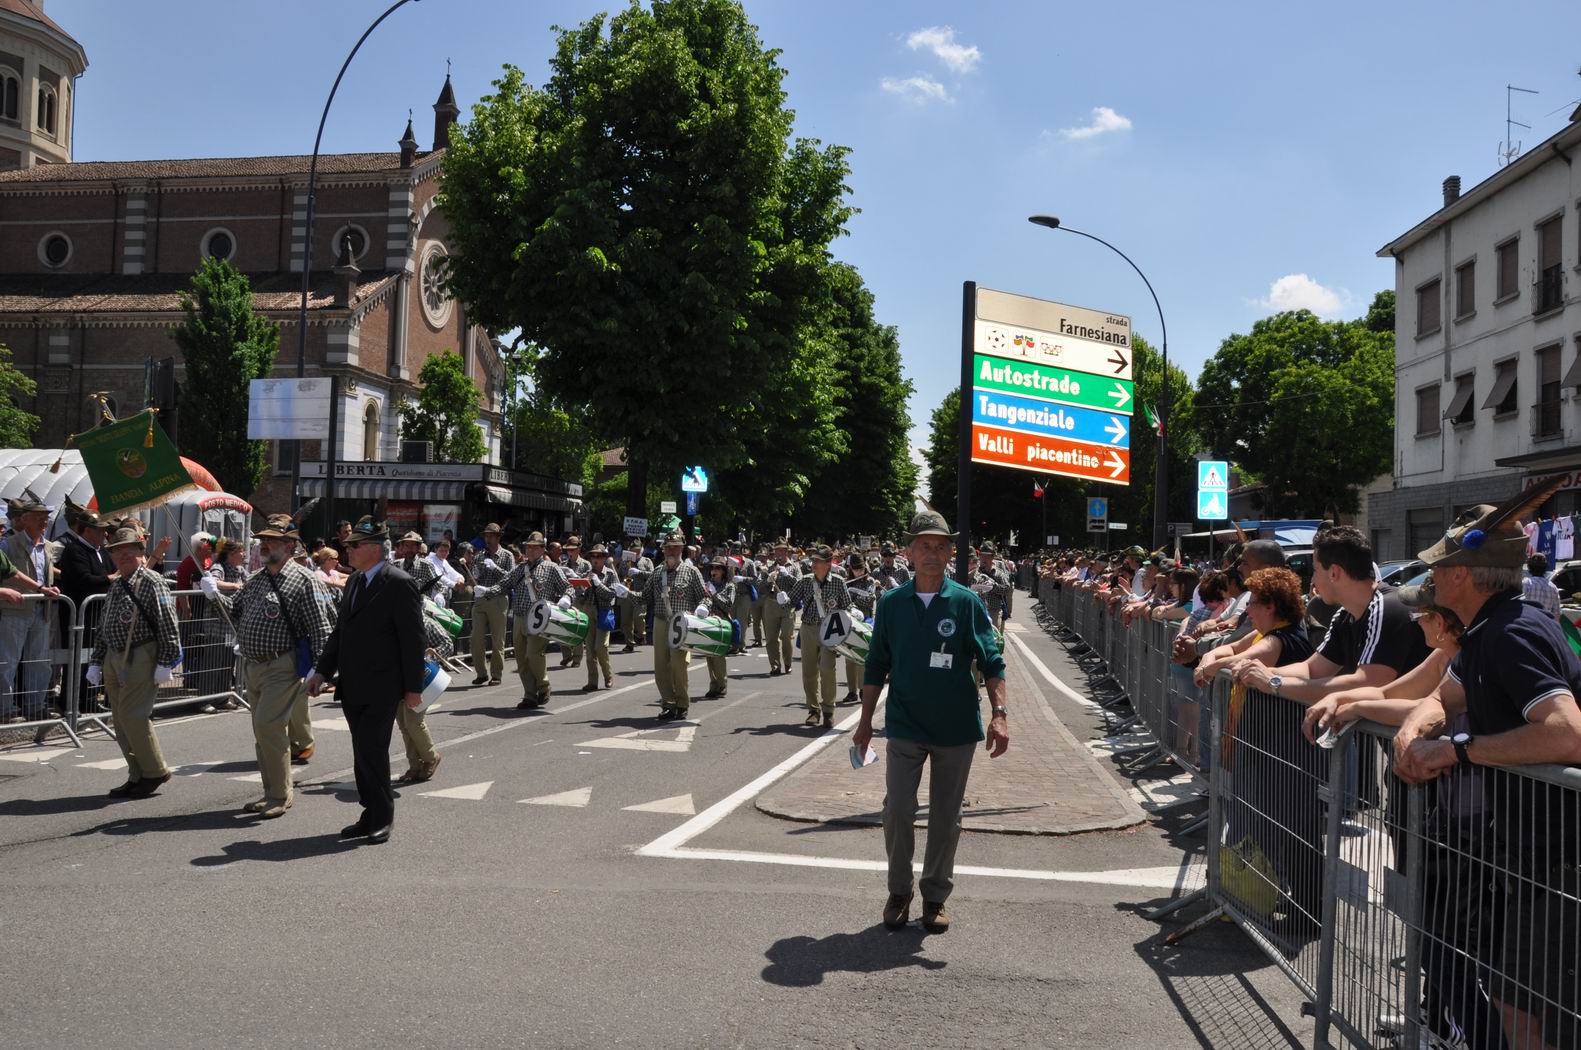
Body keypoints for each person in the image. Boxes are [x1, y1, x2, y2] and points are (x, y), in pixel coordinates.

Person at [1393, 486, 1581, 1050]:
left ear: (1462, 575)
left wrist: (1456, 750)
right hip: (1525, 856)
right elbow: (1440, 697)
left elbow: (1568, 733)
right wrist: (1411, 732)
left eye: (1439, 568)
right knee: (1511, 1000)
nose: (1432, 577)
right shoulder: (1484, 632)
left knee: (1528, 1013)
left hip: (1555, 859)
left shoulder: (1511, 633)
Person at [853, 510, 1007, 934]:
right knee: (897, 809)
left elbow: (992, 661)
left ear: (951, 553)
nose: (933, 554)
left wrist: (1000, 714)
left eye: (941, 546)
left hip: (955, 728)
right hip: (904, 723)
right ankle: (899, 890)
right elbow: (876, 664)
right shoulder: (891, 603)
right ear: (909, 552)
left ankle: (935, 896)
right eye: (924, 546)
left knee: (946, 817)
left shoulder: (967, 602)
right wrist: (865, 722)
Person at [200, 514, 331, 820]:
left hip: (282, 664)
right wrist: (214, 595)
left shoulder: (305, 580)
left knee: (269, 727)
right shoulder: (257, 579)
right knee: (262, 731)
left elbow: (320, 628)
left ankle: (280, 795)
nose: (264, 545)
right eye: (263, 540)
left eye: (273, 540)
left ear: (289, 546)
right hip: (253, 665)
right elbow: (235, 612)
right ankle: (270, 791)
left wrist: (320, 669)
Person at [307, 517, 425, 844]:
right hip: (353, 684)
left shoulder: (399, 583)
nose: (348, 550)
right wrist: (321, 671)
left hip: (383, 685)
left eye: (354, 545)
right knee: (362, 751)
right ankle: (370, 812)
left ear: (374, 548)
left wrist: (413, 688)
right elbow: (340, 632)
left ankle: (382, 816)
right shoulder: (356, 581)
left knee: (373, 750)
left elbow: (413, 639)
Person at [1233, 526, 1429, 704]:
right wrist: (1262, 671)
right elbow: (1311, 670)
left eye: (1316, 570)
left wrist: (1274, 683)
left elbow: (1368, 682)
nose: (1313, 580)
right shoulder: (1345, 615)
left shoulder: (1387, 608)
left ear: (1334, 573)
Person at [87, 525, 181, 799]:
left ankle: (155, 771)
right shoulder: (117, 584)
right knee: (120, 720)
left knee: (133, 716)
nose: (123, 555)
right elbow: (104, 625)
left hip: (141, 654)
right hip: (114, 656)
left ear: (141, 552)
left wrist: (166, 661)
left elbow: (168, 622)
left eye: (129, 550)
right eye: (117, 551)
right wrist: (96, 661)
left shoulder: (152, 581)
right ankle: (136, 773)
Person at [473, 531, 569, 711]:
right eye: (528, 547)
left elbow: (567, 587)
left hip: (539, 618)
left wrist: (567, 598)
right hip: (518, 616)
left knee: (534, 654)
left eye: (534, 547)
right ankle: (530, 695)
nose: (530, 550)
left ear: (542, 549)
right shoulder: (519, 568)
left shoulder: (552, 568)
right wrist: (487, 591)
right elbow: (503, 584)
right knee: (521, 658)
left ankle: (543, 685)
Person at [0, 492, 63, 722]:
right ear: (24, 519)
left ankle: (35, 706)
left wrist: (47, 588)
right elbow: (10, 573)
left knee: (39, 662)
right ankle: (5, 709)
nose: (44, 521)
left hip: (41, 611)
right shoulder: (8, 544)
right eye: (38, 517)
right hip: (15, 610)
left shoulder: (48, 547)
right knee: (8, 661)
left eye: (46, 517)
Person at [642, 529, 707, 721]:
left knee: (678, 665)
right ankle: (668, 704)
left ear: (682, 549)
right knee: (661, 666)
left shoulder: (691, 571)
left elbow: (704, 596)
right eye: (668, 547)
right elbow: (645, 597)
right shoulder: (657, 572)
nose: (671, 551)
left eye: (676, 547)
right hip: (661, 621)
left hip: (681, 623)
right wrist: (624, 593)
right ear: (663, 550)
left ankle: (682, 703)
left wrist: (703, 607)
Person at [784, 544, 852, 728]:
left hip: (830, 631)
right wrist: (783, 599)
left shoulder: (838, 581)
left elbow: (847, 605)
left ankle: (828, 710)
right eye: (813, 560)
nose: (813, 564)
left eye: (818, 561)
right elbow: (791, 602)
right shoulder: (805, 581)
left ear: (828, 563)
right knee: (809, 672)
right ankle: (813, 710)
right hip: (808, 628)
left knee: (828, 669)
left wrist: (854, 613)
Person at [469, 523, 514, 686]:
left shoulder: (507, 555)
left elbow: (511, 578)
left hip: (498, 599)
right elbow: (473, 577)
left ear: (498, 537)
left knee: (497, 640)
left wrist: (495, 568)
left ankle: (496, 674)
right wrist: (474, 577)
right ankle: (481, 673)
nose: (487, 539)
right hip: (481, 599)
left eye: (491, 536)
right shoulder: (479, 555)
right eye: (486, 536)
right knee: (476, 638)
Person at [842, 554, 884, 705]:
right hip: (849, 620)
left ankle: (861, 689)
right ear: (850, 569)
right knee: (849, 658)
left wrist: (854, 600)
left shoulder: (870, 581)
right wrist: (851, 605)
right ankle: (851, 691)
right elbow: (843, 601)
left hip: (865, 620)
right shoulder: (846, 582)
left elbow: (869, 600)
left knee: (861, 656)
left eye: (861, 568)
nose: (858, 572)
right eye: (855, 569)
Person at [760, 540, 800, 676]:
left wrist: (787, 575)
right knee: (771, 638)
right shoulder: (769, 567)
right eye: (777, 550)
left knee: (786, 636)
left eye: (782, 550)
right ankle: (775, 665)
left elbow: (800, 584)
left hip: (787, 604)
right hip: (771, 603)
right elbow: (760, 586)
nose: (780, 553)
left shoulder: (794, 566)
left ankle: (788, 663)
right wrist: (767, 580)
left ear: (787, 551)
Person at [581, 544, 617, 692]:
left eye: (599, 556)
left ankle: (608, 676)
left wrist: (598, 583)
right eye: (593, 556)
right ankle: (592, 682)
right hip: (588, 610)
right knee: (590, 649)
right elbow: (581, 596)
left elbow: (611, 594)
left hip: (603, 611)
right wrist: (581, 586)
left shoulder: (610, 574)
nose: (595, 559)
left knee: (600, 647)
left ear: (604, 558)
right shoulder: (587, 573)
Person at [700, 556, 736, 698]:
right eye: (712, 568)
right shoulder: (707, 584)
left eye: (718, 568)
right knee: (709, 655)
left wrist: (714, 594)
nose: (714, 571)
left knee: (718, 655)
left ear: (723, 571)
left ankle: (722, 685)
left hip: (722, 623)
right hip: (708, 621)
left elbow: (728, 605)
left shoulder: (729, 586)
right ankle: (713, 684)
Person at [558, 536, 590, 668]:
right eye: (568, 550)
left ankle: (577, 658)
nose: (570, 552)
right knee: (562, 626)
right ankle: (566, 655)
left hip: (579, 599)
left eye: (572, 549)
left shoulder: (585, 564)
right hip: (565, 598)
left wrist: (575, 576)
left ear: (578, 549)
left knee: (577, 628)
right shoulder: (563, 564)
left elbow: (587, 584)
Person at [618, 540, 653, 652]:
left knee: (638, 616)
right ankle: (629, 643)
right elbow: (620, 575)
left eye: (638, 550)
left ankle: (641, 635)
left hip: (641, 593)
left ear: (642, 550)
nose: (636, 553)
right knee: (626, 621)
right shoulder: (625, 562)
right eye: (633, 551)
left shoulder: (647, 561)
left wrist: (639, 572)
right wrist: (623, 580)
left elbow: (653, 576)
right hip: (627, 592)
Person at [1522, 552, 1562, 619]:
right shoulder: (1553, 588)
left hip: (1527, 624)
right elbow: (1556, 615)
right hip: (1546, 624)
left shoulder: (1525, 584)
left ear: (1529, 567)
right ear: (1545, 567)